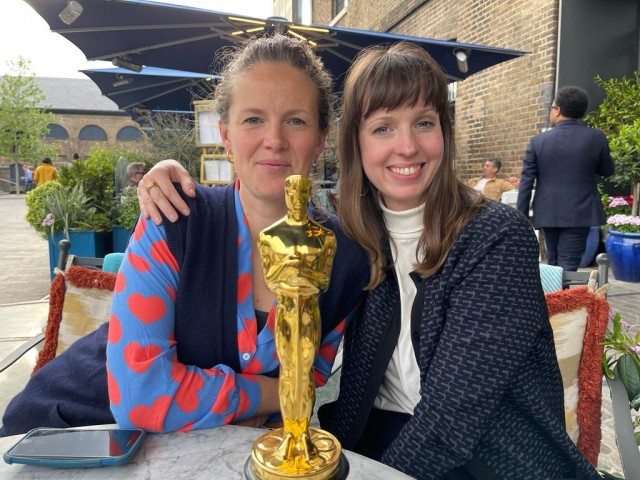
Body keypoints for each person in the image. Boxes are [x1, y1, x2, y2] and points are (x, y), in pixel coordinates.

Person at [142, 43, 601, 479]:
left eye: (423, 123)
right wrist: (170, 176)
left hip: (493, 458)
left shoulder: (494, 236)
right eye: (383, 127)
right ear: (355, 143)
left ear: (444, 131)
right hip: (373, 442)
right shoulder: (350, 237)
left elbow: (450, 422)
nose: (407, 147)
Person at [0, 34, 368, 437]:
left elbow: (307, 379)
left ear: (319, 138)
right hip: (69, 430)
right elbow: (141, 399)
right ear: (225, 134)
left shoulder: (344, 256)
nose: (274, 140)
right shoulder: (174, 220)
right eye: (253, 119)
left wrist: (247, 404)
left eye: (295, 120)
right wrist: (268, 396)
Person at [517, 86, 615, 271]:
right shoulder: (596, 137)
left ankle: (554, 299)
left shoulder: (538, 142)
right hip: (581, 211)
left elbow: (526, 183)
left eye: (552, 108)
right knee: (569, 264)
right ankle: (560, 298)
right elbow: (607, 170)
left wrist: (521, 217)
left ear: (558, 110)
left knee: (552, 263)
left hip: (548, 212)